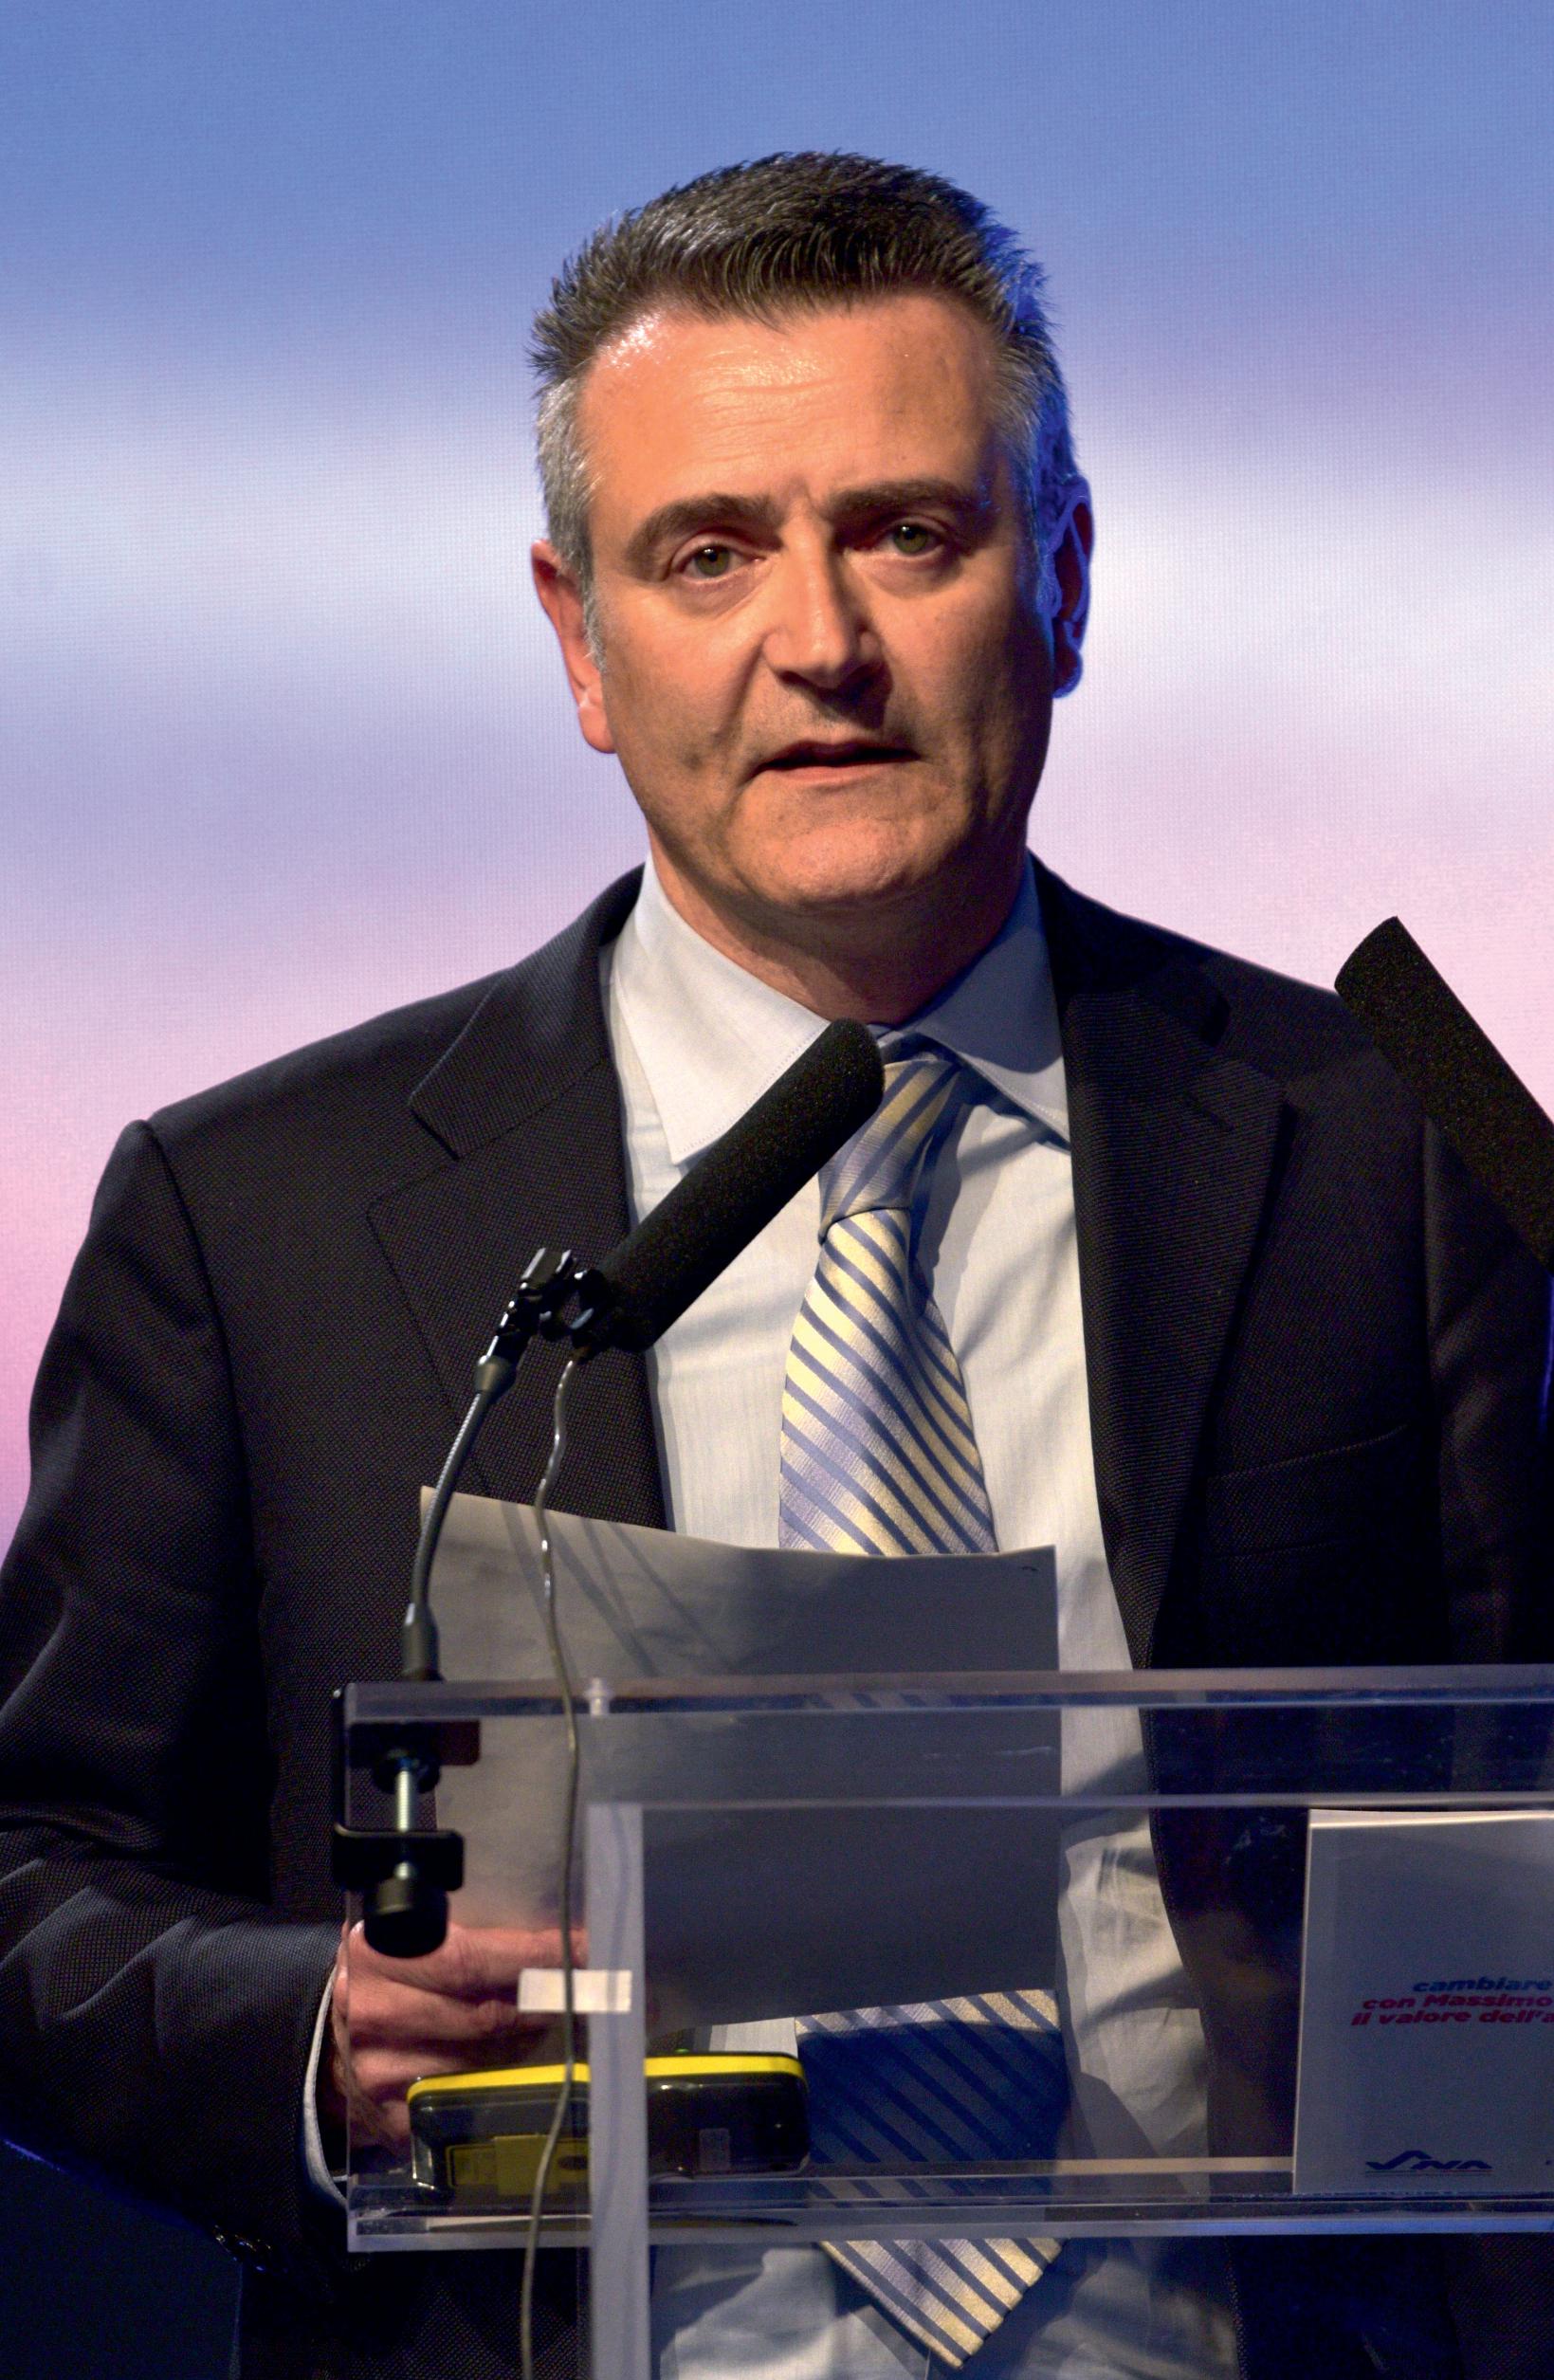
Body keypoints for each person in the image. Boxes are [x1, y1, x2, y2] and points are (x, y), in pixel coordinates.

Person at [0, 152, 1549, 2380]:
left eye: (908, 532)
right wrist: (311, 2031)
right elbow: (32, 1866)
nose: (818, 642)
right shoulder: (252, 1217)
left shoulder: (1382, 1153)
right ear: (580, 639)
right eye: (707, 552)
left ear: (1064, 578)